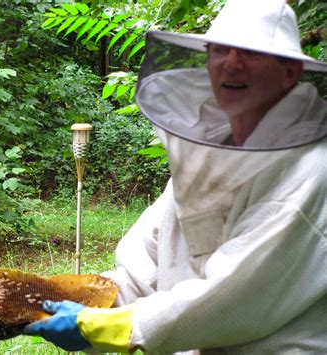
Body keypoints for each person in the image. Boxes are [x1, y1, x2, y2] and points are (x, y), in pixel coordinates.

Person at [23, 0, 327, 353]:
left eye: (249, 52)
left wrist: (104, 326)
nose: (231, 63)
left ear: (289, 72)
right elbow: (145, 265)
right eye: (219, 50)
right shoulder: (211, 153)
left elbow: (232, 300)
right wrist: (47, 299)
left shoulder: (311, 171)